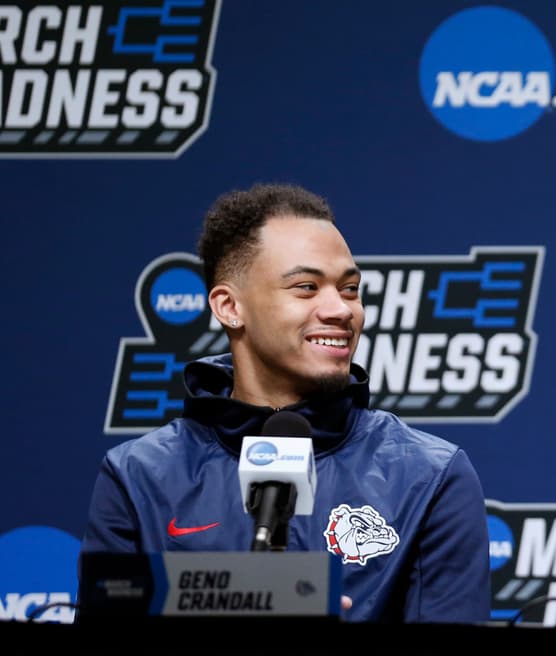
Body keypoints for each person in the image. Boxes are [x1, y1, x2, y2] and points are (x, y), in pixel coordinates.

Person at [79, 183, 492, 623]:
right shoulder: (137, 476)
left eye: (350, 289)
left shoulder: (431, 475)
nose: (341, 310)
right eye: (306, 287)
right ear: (229, 306)